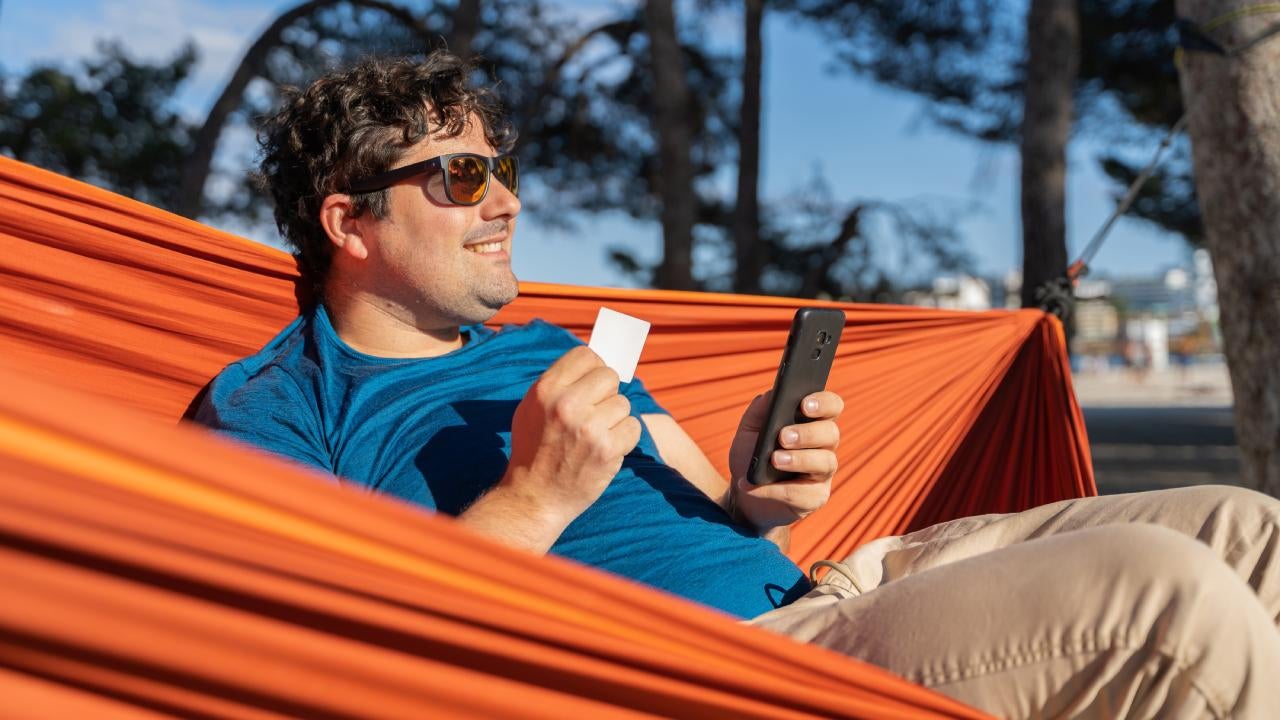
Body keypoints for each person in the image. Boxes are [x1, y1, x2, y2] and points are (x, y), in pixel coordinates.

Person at [195, 52, 1280, 718]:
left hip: (843, 588)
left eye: (502, 170)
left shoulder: (544, 346)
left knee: (1251, 530)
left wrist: (767, 490)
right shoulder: (276, 406)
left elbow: (725, 506)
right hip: (727, 670)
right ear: (349, 222)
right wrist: (531, 502)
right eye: (462, 176)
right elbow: (311, 652)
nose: (507, 203)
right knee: (1165, 601)